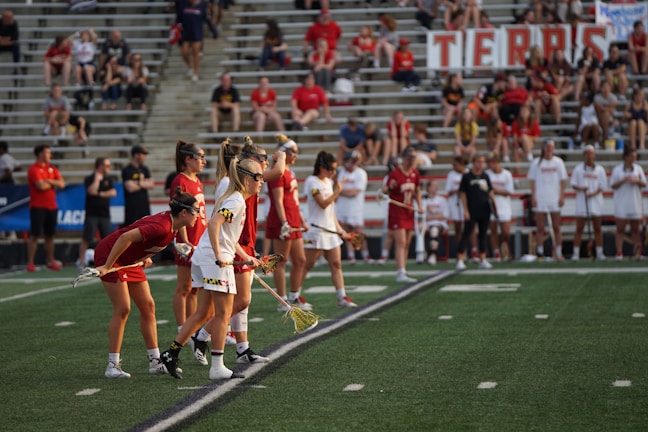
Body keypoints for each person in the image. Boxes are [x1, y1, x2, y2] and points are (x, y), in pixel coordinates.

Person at [163, 158, 265, 380]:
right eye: (258, 177)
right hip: (213, 260)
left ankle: (171, 352)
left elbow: (228, 235)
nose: (262, 181)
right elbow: (214, 223)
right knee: (222, 313)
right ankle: (217, 367)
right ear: (247, 179)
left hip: (204, 257)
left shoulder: (235, 199)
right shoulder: (237, 201)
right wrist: (219, 255)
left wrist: (246, 257)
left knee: (204, 312)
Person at [95, 189, 200, 378]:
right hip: (110, 255)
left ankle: (154, 361)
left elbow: (146, 239)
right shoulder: (162, 226)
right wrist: (107, 266)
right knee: (123, 308)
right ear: (183, 213)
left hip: (129, 260)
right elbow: (125, 237)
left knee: (148, 306)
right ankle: (112, 365)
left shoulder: (175, 222)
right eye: (196, 211)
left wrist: (144, 255)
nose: (198, 215)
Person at [302, 151, 358, 308]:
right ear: (321, 167)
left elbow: (330, 210)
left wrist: (339, 229)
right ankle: (294, 295)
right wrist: (338, 191)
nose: (333, 173)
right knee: (307, 264)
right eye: (331, 169)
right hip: (316, 230)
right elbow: (323, 203)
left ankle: (342, 296)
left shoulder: (328, 181)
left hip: (330, 230)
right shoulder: (312, 182)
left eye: (335, 169)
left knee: (336, 264)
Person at [266, 135, 311, 311]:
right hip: (282, 220)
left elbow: (293, 200)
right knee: (281, 260)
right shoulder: (278, 171)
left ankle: (294, 296)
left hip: (293, 219)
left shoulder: (289, 171)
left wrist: (302, 220)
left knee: (300, 260)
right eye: (294, 152)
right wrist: (284, 222)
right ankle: (282, 299)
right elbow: (278, 201)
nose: (296, 156)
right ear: (284, 152)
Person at [169, 141, 207, 342]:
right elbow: (178, 213)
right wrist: (184, 240)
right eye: (200, 157)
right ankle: (182, 328)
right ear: (188, 159)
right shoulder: (180, 181)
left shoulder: (197, 180)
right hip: (187, 240)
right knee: (184, 288)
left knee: (195, 288)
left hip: (199, 239)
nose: (204, 161)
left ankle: (192, 328)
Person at [381, 146, 422, 283]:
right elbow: (384, 191)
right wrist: (389, 187)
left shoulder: (415, 173)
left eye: (413, 158)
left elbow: (417, 191)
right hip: (397, 211)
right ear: (404, 158)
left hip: (409, 210)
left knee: (408, 242)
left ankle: (403, 269)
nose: (411, 161)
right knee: (401, 242)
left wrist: (420, 206)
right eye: (409, 158)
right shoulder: (395, 174)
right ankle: (400, 271)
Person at [26, 145, 65, 272]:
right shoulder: (33, 169)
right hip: (37, 206)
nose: (50, 155)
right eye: (48, 152)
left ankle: (50, 260)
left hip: (51, 206)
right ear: (40, 154)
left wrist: (48, 180)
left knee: (50, 235)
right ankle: (30, 262)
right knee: (35, 235)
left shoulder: (52, 168)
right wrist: (52, 182)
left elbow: (62, 184)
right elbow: (40, 186)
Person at [527, 139, 567, 260]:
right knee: (540, 227)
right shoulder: (536, 163)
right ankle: (540, 252)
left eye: (551, 147)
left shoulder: (558, 162)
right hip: (541, 197)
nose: (549, 149)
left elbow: (563, 180)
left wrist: (561, 196)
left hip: (554, 198)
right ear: (543, 148)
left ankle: (558, 252)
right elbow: (532, 181)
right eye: (547, 147)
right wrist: (533, 196)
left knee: (556, 227)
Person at [455, 153, 495, 270]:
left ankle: (483, 258)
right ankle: (460, 258)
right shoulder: (467, 177)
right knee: (466, 233)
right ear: (474, 162)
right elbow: (463, 194)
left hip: (484, 209)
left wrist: (494, 206)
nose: (480, 164)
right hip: (472, 209)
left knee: (482, 235)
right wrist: (466, 210)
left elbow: (490, 191)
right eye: (478, 161)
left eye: (482, 162)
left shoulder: (485, 176)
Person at [570, 145, 607, 261]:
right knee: (579, 228)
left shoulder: (600, 169)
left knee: (597, 228)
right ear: (584, 155)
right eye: (587, 154)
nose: (589, 156)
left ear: (594, 155)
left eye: (591, 154)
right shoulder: (578, 169)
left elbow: (602, 186)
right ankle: (575, 253)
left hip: (596, 202)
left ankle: (600, 252)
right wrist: (582, 189)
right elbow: (573, 184)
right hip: (582, 202)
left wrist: (593, 193)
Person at [78, 157, 116, 269]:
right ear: (100, 166)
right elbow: (91, 191)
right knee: (87, 237)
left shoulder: (109, 179)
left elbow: (113, 192)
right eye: (107, 165)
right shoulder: (90, 178)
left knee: (108, 238)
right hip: (92, 213)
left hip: (104, 214)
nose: (109, 168)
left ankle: (109, 260)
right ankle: (80, 261)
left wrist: (99, 194)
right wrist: (97, 180)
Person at [336, 150, 370, 264]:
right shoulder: (342, 172)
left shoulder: (361, 173)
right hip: (343, 206)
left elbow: (355, 192)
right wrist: (343, 191)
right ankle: (351, 256)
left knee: (358, 232)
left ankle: (365, 255)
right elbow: (337, 188)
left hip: (355, 207)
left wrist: (342, 191)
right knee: (347, 231)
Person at [611, 147, 646, 260]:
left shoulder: (638, 169)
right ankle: (619, 253)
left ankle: (637, 252)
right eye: (631, 157)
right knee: (620, 229)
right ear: (625, 157)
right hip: (622, 202)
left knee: (635, 229)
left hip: (635, 202)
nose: (633, 159)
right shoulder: (617, 169)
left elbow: (644, 184)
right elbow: (613, 185)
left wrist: (637, 181)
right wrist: (623, 180)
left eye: (634, 157)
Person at [485, 152, 514, 262]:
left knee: (506, 232)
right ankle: (496, 252)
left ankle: (504, 246)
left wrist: (495, 190)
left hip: (504, 206)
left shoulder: (507, 174)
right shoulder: (487, 174)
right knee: (493, 231)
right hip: (491, 205)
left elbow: (509, 191)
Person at [121, 145, 154, 226]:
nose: (144, 157)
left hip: (144, 207)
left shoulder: (144, 169)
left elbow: (151, 184)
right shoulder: (127, 170)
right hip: (132, 208)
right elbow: (130, 188)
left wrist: (138, 183)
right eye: (143, 154)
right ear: (136, 155)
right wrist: (143, 182)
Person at [176, 0, 206, 82]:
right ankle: (191, 66)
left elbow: (205, 18)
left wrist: (213, 31)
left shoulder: (202, 5)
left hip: (197, 32)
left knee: (195, 52)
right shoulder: (183, 4)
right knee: (184, 52)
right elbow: (178, 17)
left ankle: (196, 73)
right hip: (186, 32)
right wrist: (178, 26)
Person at [422, 179, 449, 265]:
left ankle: (433, 254)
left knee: (434, 230)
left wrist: (431, 215)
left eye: (436, 186)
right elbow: (422, 217)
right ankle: (422, 253)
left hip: (440, 224)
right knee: (420, 228)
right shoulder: (423, 200)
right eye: (433, 186)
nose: (435, 188)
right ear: (428, 188)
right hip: (426, 224)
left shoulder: (442, 200)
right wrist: (436, 215)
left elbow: (444, 216)